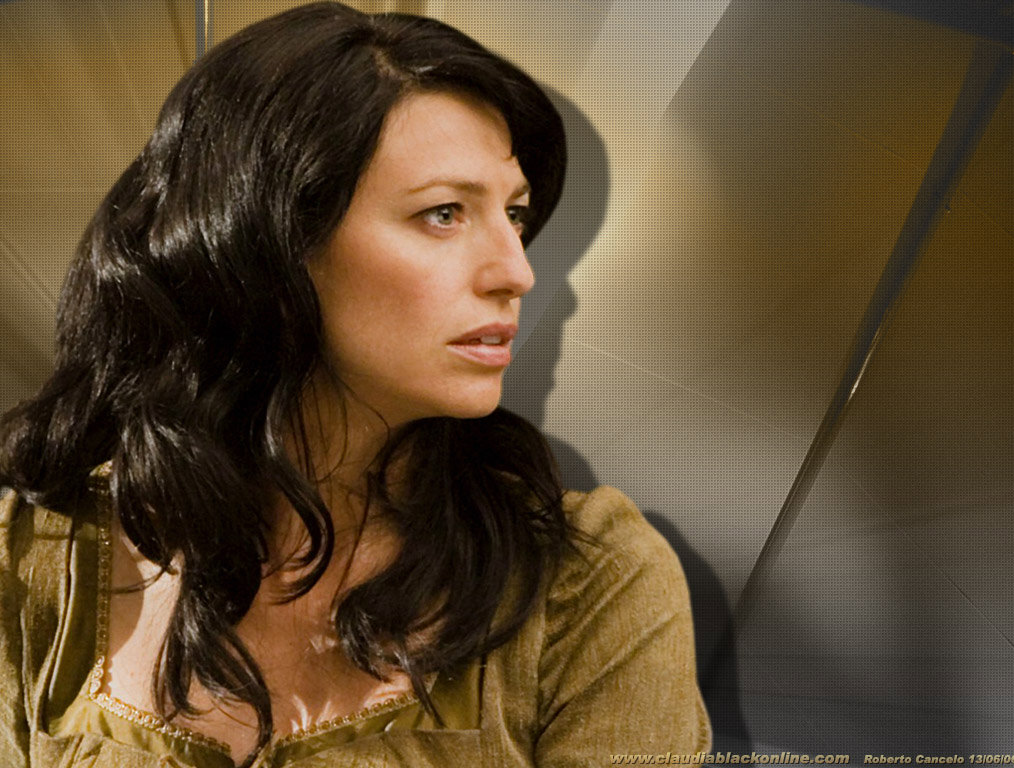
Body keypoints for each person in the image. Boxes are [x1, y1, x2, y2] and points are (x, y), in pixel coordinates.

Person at [0, 3, 710, 766]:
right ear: (264, 244)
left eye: (514, 215)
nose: (518, 272)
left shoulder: (588, 582)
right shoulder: (30, 554)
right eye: (444, 213)